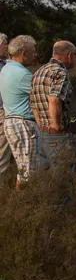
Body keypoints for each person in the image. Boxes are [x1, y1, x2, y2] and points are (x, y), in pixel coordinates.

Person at [30, 41, 76, 173]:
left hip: (43, 134)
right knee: (65, 177)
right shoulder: (60, 73)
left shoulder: (39, 71)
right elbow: (54, 99)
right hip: (58, 135)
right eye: (75, 55)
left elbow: (33, 103)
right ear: (69, 55)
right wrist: (57, 126)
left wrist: (41, 124)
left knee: (48, 178)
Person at [0, 35, 42, 188]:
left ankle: (21, 202)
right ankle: (24, 202)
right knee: (29, 171)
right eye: (33, 51)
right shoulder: (22, 74)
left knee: (24, 168)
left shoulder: (6, 68)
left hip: (13, 121)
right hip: (23, 124)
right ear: (23, 53)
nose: (35, 54)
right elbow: (42, 95)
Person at [0, 33, 12, 183]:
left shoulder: (3, 63)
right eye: (5, 44)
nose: (7, 47)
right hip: (2, 111)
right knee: (2, 150)